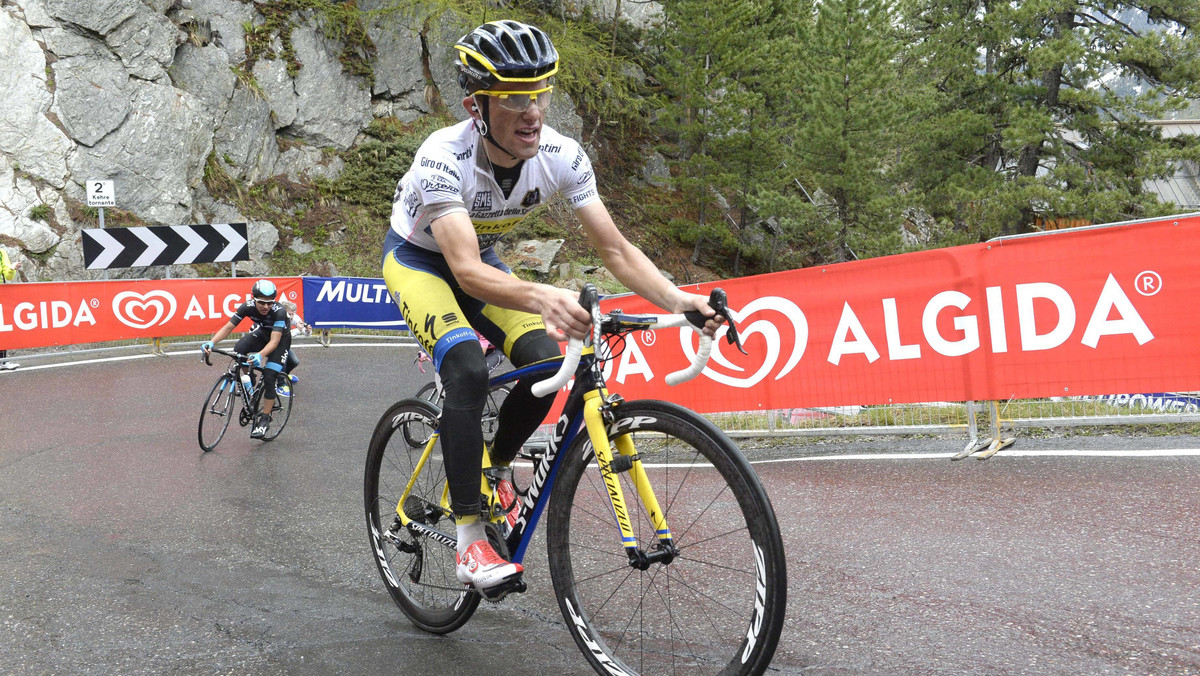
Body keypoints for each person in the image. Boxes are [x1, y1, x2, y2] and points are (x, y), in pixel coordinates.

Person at [381, 20, 725, 592]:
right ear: (477, 105)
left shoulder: (561, 155)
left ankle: (491, 466)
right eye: (514, 97)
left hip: (480, 259)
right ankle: (469, 542)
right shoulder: (442, 155)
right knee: (466, 370)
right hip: (421, 262)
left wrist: (680, 300)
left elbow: (614, 248)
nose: (532, 111)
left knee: (544, 359)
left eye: (539, 93)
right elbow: (463, 271)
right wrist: (544, 294)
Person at [201, 279, 292, 439]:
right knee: (239, 350)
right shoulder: (247, 306)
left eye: (269, 303)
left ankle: (264, 419)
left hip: (280, 340)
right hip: (263, 333)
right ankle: (250, 377)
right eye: (262, 303)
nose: (266, 307)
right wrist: (212, 342)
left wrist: (260, 355)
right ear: (253, 299)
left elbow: (275, 341)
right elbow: (229, 327)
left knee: (270, 376)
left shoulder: (279, 312)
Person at [276, 300, 310, 397]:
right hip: (271, 344)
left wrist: (307, 331)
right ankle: (280, 385)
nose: (291, 317)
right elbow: (283, 336)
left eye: (292, 314)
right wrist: (298, 330)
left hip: (283, 345)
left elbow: (303, 330)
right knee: (283, 360)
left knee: (294, 361)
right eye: (289, 314)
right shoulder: (278, 318)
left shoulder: (293, 317)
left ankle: (283, 375)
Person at [1, 248, 22, 371]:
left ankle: (2, 361)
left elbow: (8, 276)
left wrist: (12, 268)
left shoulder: (1, 252)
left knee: (2, 328)